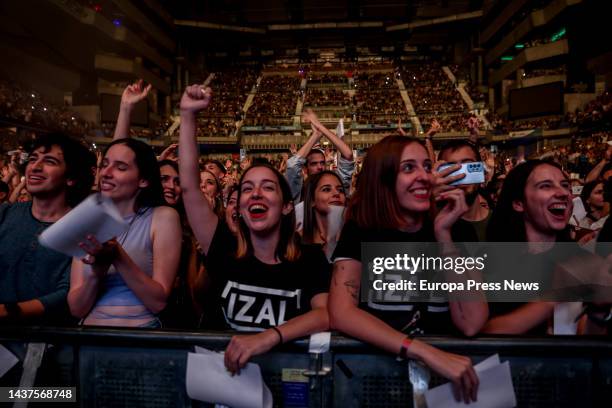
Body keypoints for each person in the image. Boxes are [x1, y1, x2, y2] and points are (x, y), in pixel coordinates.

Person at [179, 84, 331, 374]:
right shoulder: (223, 248)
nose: (256, 194)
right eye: (247, 188)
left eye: (268, 187)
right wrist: (187, 116)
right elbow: (189, 187)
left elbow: (324, 315)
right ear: (240, 206)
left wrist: (267, 337)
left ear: (287, 206)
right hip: (227, 385)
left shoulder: (309, 259)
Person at [329, 135, 487, 403]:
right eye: (408, 168)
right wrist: (424, 352)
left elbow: (472, 323)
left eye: (427, 166)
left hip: (446, 388)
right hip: (376, 382)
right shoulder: (361, 230)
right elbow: (341, 313)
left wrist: (444, 234)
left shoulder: (458, 230)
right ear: (383, 178)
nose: (424, 176)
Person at [67, 138, 181, 328]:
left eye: (120, 167)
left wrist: (117, 255)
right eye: (104, 165)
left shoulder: (163, 217)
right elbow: (77, 309)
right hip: (89, 335)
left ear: (143, 180)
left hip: (141, 336)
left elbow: (158, 302)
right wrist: (98, 271)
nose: (106, 173)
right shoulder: (87, 221)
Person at [0, 133, 95, 323]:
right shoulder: (5, 214)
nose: (35, 167)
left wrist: (6, 312)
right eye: (33, 159)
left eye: (50, 161)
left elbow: (65, 295)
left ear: (71, 177)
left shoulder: (83, 230)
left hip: (49, 342)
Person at [286, 109, 354, 202]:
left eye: (322, 163)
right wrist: (315, 136)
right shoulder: (299, 190)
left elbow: (348, 155)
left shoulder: (336, 184)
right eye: (314, 164)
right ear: (305, 169)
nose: (320, 167)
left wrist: (319, 125)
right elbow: (292, 165)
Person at [437, 140, 491, 241]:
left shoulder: (502, 221)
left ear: (482, 172)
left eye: (468, 166)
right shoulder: (432, 224)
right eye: (452, 169)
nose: (460, 175)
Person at [300, 170, 347, 260]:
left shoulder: (359, 235)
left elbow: (378, 273)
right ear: (312, 201)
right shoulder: (296, 243)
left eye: (340, 190)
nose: (337, 194)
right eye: (326, 189)